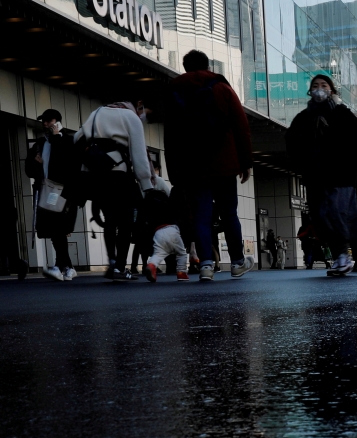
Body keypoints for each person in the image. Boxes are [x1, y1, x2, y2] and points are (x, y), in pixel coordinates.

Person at [164, 50, 254, 282]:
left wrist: (174, 171)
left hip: (192, 167)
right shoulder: (222, 88)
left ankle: (205, 265)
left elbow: (171, 135)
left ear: (185, 66)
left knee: (201, 216)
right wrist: (245, 162)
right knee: (229, 213)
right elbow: (241, 126)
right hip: (224, 163)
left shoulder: (175, 89)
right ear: (208, 65)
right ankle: (236, 262)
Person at [286, 74, 357, 275]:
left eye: (324, 85)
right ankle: (341, 255)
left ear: (332, 90)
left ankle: (343, 256)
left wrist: (353, 170)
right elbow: (291, 142)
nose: (319, 88)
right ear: (310, 91)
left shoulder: (343, 114)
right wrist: (302, 166)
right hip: (316, 177)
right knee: (321, 217)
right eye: (315, 86)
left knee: (336, 213)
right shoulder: (303, 118)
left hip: (342, 176)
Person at [75, 100, 153, 280]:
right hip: (119, 173)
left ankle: (111, 261)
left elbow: (77, 137)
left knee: (109, 220)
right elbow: (139, 153)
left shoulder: (96, 113)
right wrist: (146, 184)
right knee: (125, 222)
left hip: (98, 174)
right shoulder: (130, 117)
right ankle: (120, 267)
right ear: (138, 105)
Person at [28, 109, 79, 282]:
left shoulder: (68, 141)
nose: (45, 124)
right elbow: (29, 170)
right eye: (43, 121)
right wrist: (37, 163)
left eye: (48, 121)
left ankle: (59, 266)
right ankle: (68, 267)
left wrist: (57, 138)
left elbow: (67, 165)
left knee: (59, 228)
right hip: (46, 191)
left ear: (57, 121)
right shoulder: (40, 143)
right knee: (53, 230)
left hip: (64, 191)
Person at [141, 188, 190, 282]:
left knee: (158, 254)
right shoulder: (168, 206)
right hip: (171, 229)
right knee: (181, 253)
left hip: (157, 233)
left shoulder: (149, 210)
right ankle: (181, 272)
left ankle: (152, 265)